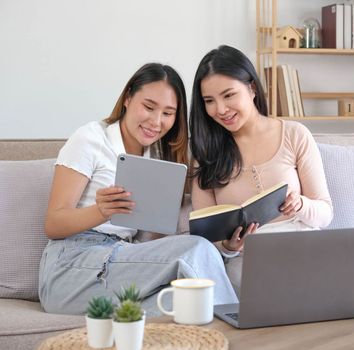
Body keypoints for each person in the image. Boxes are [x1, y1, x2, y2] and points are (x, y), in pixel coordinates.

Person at [39, 63, 238, 315]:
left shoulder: (157, 156)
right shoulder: (90, 138)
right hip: (70, 267)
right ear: (128, 97)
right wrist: (100, 211)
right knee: (196, 249)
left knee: (187, 306)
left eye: (168, 113)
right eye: (149, 107)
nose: (156, 121)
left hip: (120, 262)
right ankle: (241, 332)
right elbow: (53, 224)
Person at [189, 45, 333, 260]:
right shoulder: (206, 154)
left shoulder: (295, 134)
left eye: (228, 95)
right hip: (247, 262)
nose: (220, 109)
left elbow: (325, 214)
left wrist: (301, 204)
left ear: (252, 88)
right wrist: (229, 246)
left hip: (303, 251)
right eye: (209, 101)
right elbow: (205, 240)